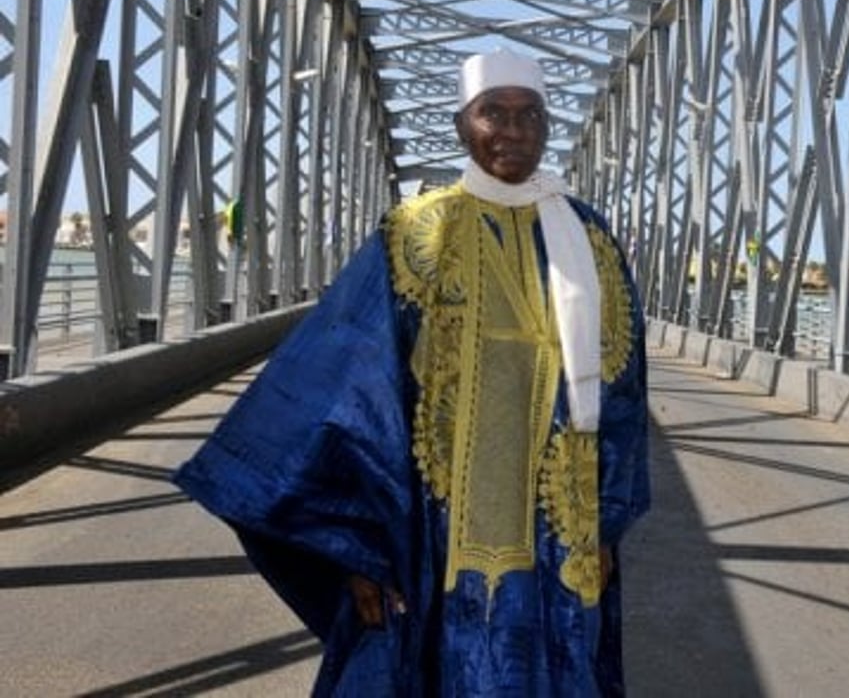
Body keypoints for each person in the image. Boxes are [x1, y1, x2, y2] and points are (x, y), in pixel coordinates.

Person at [174, 49, 650, 696]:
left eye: (529, 114)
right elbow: (340, 389)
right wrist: (355, 548)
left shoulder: (589, 240)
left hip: (557, 536)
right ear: (462, 126)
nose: (512, 129)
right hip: (434, 534)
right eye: (493, 113)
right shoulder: (412, 236)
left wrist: (607, 522)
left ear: (546, 127)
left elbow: (620, 399)